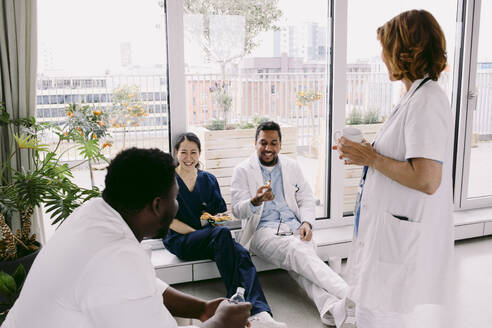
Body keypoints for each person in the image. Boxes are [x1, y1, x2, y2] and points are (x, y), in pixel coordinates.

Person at [3, 148, 251, 328]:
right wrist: (221, 323)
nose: (177, 204)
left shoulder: (92, 212)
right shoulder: (117, 254)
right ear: (157, 205)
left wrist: (203, 309)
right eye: (174, 198)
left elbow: (144, 286)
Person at [334, 9, 454, 328]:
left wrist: (371, 159)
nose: (383, 57)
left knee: (378, 316)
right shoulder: (412, 97)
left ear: (402, 51)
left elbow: (427, 179)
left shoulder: (427, 101)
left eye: (386, 49)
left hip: (396, 240)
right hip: (384, 234)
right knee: (369, 313)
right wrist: (365, 153)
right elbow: (403, 156)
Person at [160, 132, 286, 328]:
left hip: (211, 238)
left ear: (199, 154)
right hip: (181, 241)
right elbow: (168, 221)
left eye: (193, 152)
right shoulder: (167, 181)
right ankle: (237, 306)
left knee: (241, 253)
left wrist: (214, 223)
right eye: (183, 152)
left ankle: (260, 313)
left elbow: (219, 215)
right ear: (176, 153)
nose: (188, 157)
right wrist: (201, 233)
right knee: (222, 235)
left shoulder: (208, 179)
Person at [231, 121, 351, 327]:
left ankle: (331, 309)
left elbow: (305, 197)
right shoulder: (242, 170)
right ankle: (352, 296)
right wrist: (256, 200)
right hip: (263, 231)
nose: (268, 148)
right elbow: (236, 210)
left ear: (280, 145)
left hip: (294, 226)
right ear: (255, 143)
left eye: (273, 143)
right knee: (299, 251)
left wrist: (307, 223)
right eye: (263, 143)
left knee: (301, 263)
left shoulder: (291, 166)